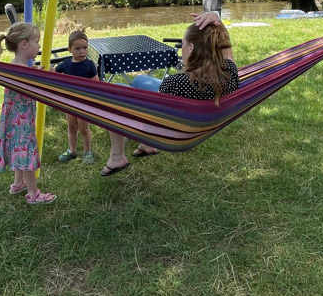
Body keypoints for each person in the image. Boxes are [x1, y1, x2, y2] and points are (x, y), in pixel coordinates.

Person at [101, 11, 237, 177]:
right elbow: (227, 49)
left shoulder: (175, 83)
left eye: (183, 44)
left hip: (172, 131)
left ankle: (117, 157)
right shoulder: (229, 72)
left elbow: (151, 116)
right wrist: (217, 20)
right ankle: (145, 146)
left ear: (191, 48)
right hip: (197, 115)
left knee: (115, 92)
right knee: (140, 81)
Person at [0, 22, 56, 204]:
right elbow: (33, 88)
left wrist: (36, 73)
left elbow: (27, 79)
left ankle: (17, 183)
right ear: (24, 44)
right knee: (25, 151)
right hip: (21, 120)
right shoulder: (20, 71)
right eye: (36, 42)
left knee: (19, 148)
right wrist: (47, 77)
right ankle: (33, 193)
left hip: (15, 118)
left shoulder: (17, 67)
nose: (38, 46)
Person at [53, 30, 98, 165]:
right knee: (72, 126)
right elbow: (53, 73)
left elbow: (97, 82)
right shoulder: (66, 64)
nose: (81, 51)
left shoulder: (89, 64)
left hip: (84, 102)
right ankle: (72, 150)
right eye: (77, 48)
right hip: (69, 101)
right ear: (69, 49)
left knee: (83, 128)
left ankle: (87, 151)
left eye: (84, 48)